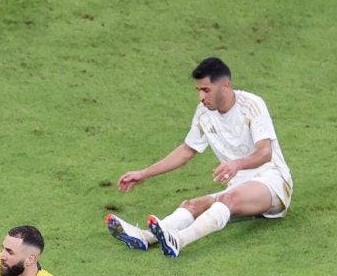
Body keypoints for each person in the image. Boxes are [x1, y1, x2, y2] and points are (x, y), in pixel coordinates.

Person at [105, 57, 293, 258]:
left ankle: (179, 239)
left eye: (206, 90)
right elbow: (187, 151)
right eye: (199, 91)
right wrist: (144, 174)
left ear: (225, 86)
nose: (201, 97)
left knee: (226, 199)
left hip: (273, 183)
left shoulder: (252, 104)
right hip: (239, 188)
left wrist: (237, 164)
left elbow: (265, 152)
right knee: (191, 205)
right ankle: (144, 237)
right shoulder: (204, 113)